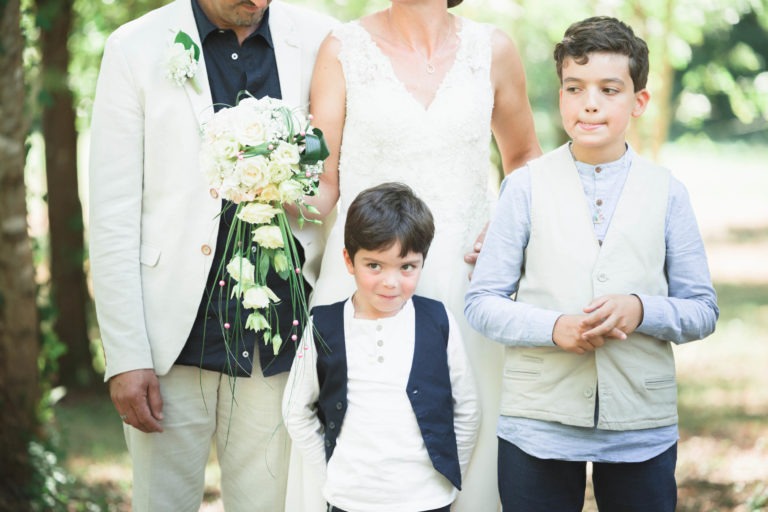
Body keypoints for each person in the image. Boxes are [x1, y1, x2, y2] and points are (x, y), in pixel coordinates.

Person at [287, 1, 542, 509]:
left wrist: (508, 226)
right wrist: (266, 183)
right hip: (365, 279)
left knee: (469, 422)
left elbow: (523, 159)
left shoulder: (492, 48)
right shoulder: (343, 48)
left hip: (464, 280)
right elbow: (324, 181)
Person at [464, 16, 720, 511]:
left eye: (609, 89)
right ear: (560, 95)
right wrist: (554, 326)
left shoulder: (668, 192)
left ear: (639, 101)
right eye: (574, 88)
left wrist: (642, 310)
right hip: (537, 421)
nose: (590, 102)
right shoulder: (524, 186)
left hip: (639, 424)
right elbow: (483, 302)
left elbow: (702, 309)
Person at [88, 1, 336, 510]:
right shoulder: (134, 48)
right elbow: (113, 215)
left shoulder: (324, 41)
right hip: (169, 342)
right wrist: (126, 355)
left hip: (280, 341)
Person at [282, 182, 480, 512]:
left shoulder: (437, 320)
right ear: (349, 260)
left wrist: (445, 476)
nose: (391, 282)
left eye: (406, 267)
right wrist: (329, 476)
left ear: (421, 262)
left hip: (427, 499)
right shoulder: (323, 325)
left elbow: (467, 408)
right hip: (350, 500)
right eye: (374, 265)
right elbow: (296, 410)